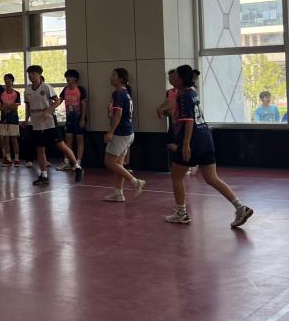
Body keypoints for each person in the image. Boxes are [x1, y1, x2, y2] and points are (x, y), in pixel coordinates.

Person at [166, 64, 254, 229]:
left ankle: (181, 213)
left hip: (193, 140)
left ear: (181, 79)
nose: (172, 77)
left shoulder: (183, 96)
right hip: (206, 139)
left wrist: (185, 144)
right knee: (212, 178)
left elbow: (189, 120)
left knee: (176, 177)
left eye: (175, 75)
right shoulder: (192, 93)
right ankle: (240, 208)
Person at [23, 65, 82, 185]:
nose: (31, 76)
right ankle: (44, 175)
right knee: (40, 149)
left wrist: (48, 110)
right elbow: (28, 106)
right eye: (29, 73)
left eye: (34, 73)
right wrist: (26, 119)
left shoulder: (46, 87)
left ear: (39, 74)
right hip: (36, 124)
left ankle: (77, 167)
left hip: (49, 123)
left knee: (61, 145)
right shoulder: (27, 90)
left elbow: (57, 101)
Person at [103, 68, 145, 202]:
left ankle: (135, 182)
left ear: (121, 79)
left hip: (121, 133)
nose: (111, 77)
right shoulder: (125, 93)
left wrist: (111, 132)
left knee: (109, 162)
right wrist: (110, 111)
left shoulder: (118, 93)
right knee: (119, 164)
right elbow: (115, 114)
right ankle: (119, 193)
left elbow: (119, 115)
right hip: (128, 132)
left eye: (114, 75)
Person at [59, 69, 88, 171]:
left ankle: (78, 162)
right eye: (67, 77)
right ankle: (67, 162)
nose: (68, 79)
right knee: (68, 140)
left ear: (75, 78)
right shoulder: (65, 89)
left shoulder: (81, 89)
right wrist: (50, 107)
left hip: (79, 118)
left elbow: (84, 105)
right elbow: (59, 101)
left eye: (70, 77)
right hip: (69, 119)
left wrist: (82, 119)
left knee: (80, 140)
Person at [0, 73, 22, 165]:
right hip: (4, 119)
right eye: (5, 79)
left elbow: (15, 108)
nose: (7, 81)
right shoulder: (1, 94)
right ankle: (8, 158)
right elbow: (0, 108)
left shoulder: (17, 93)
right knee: (5, 139)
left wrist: (6, 106)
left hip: (13, 119)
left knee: (14, 139)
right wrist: (9, 106)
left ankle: (16, 159)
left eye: (8, 79)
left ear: (12, 81)